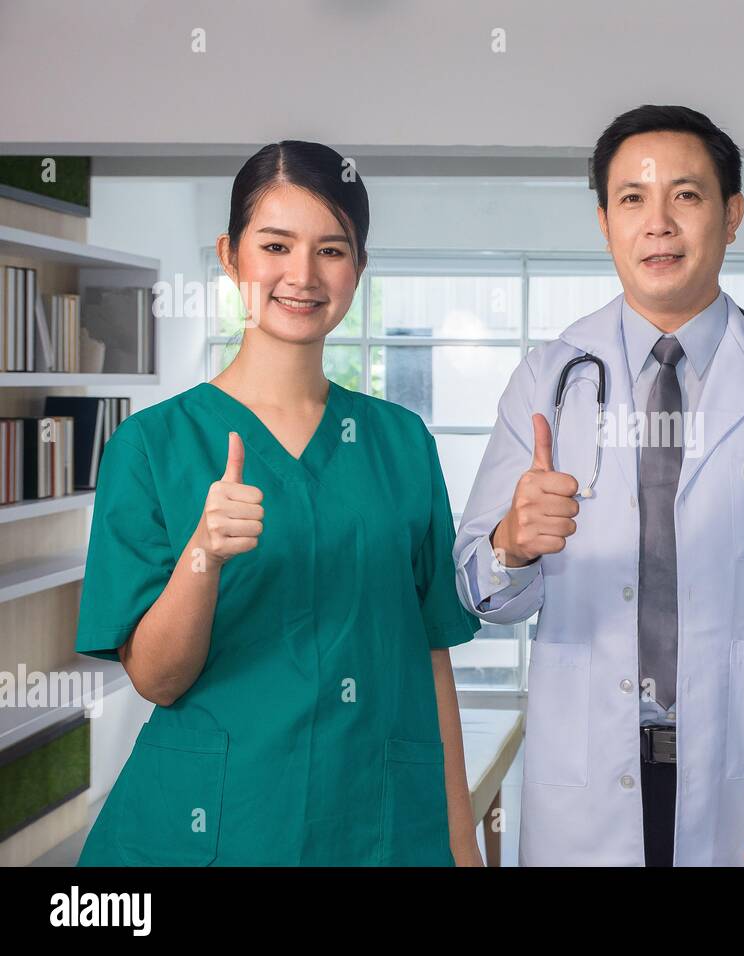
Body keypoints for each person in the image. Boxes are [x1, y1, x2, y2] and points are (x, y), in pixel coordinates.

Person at [453, 105, 744, 866]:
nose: (657, 223)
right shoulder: (547, 378)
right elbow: (480, 593)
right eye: (632, 198)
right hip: (587, 783)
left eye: (685, 196)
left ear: (732, 215)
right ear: (604, 221)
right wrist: (512, 545)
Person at [75, 141, 481, 866]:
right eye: (276, 245)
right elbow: (155, 678)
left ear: (359, 267)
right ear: (231, 256)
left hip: (376, 825)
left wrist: (462, 841)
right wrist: (202, 554)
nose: (302, 274)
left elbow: (432, 652)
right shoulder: (149, 446)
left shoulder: (401, 443)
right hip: (216, 824)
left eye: (331, 248)